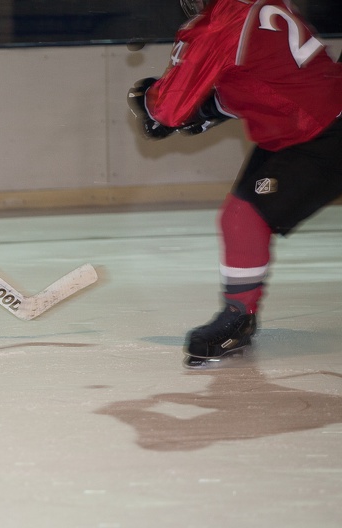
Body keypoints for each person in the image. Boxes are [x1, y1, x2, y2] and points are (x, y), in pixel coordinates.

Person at [127, 0, 342, 368]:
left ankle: (238, 318)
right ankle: (239, 313)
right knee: (240, 218)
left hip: (319, 133)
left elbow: (168, 109)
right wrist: (210, 109)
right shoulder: (266, 5)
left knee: (244, 217)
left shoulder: (218, 24)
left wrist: (145, 100)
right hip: (306, 126)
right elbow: (265, 79)